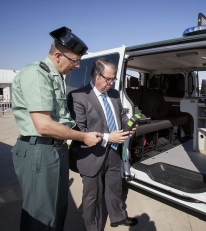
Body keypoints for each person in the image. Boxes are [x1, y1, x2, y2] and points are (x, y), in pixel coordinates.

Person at [11, 26, 103, 231]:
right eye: (75, 61)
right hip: (39, 150)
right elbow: (43, 125)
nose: (78, 66)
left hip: (55, 149)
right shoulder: (36, 74)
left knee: (58, 210)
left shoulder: (56, 76)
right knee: (41, 216)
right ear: (58, 55)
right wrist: (83, 136)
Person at [67, 57, 138, 231]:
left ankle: (118, 217)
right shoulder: (78, 96)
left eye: (113, 79)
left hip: (113, 151)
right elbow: (80, 130)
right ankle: (93, 227)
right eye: (108, 79)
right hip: (91, 154)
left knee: (115, 187)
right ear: (96, 75)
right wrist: (108, 138)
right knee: (92, 196)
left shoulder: (113, 94)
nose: (111, 84)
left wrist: (129, 125)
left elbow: (121, 116)